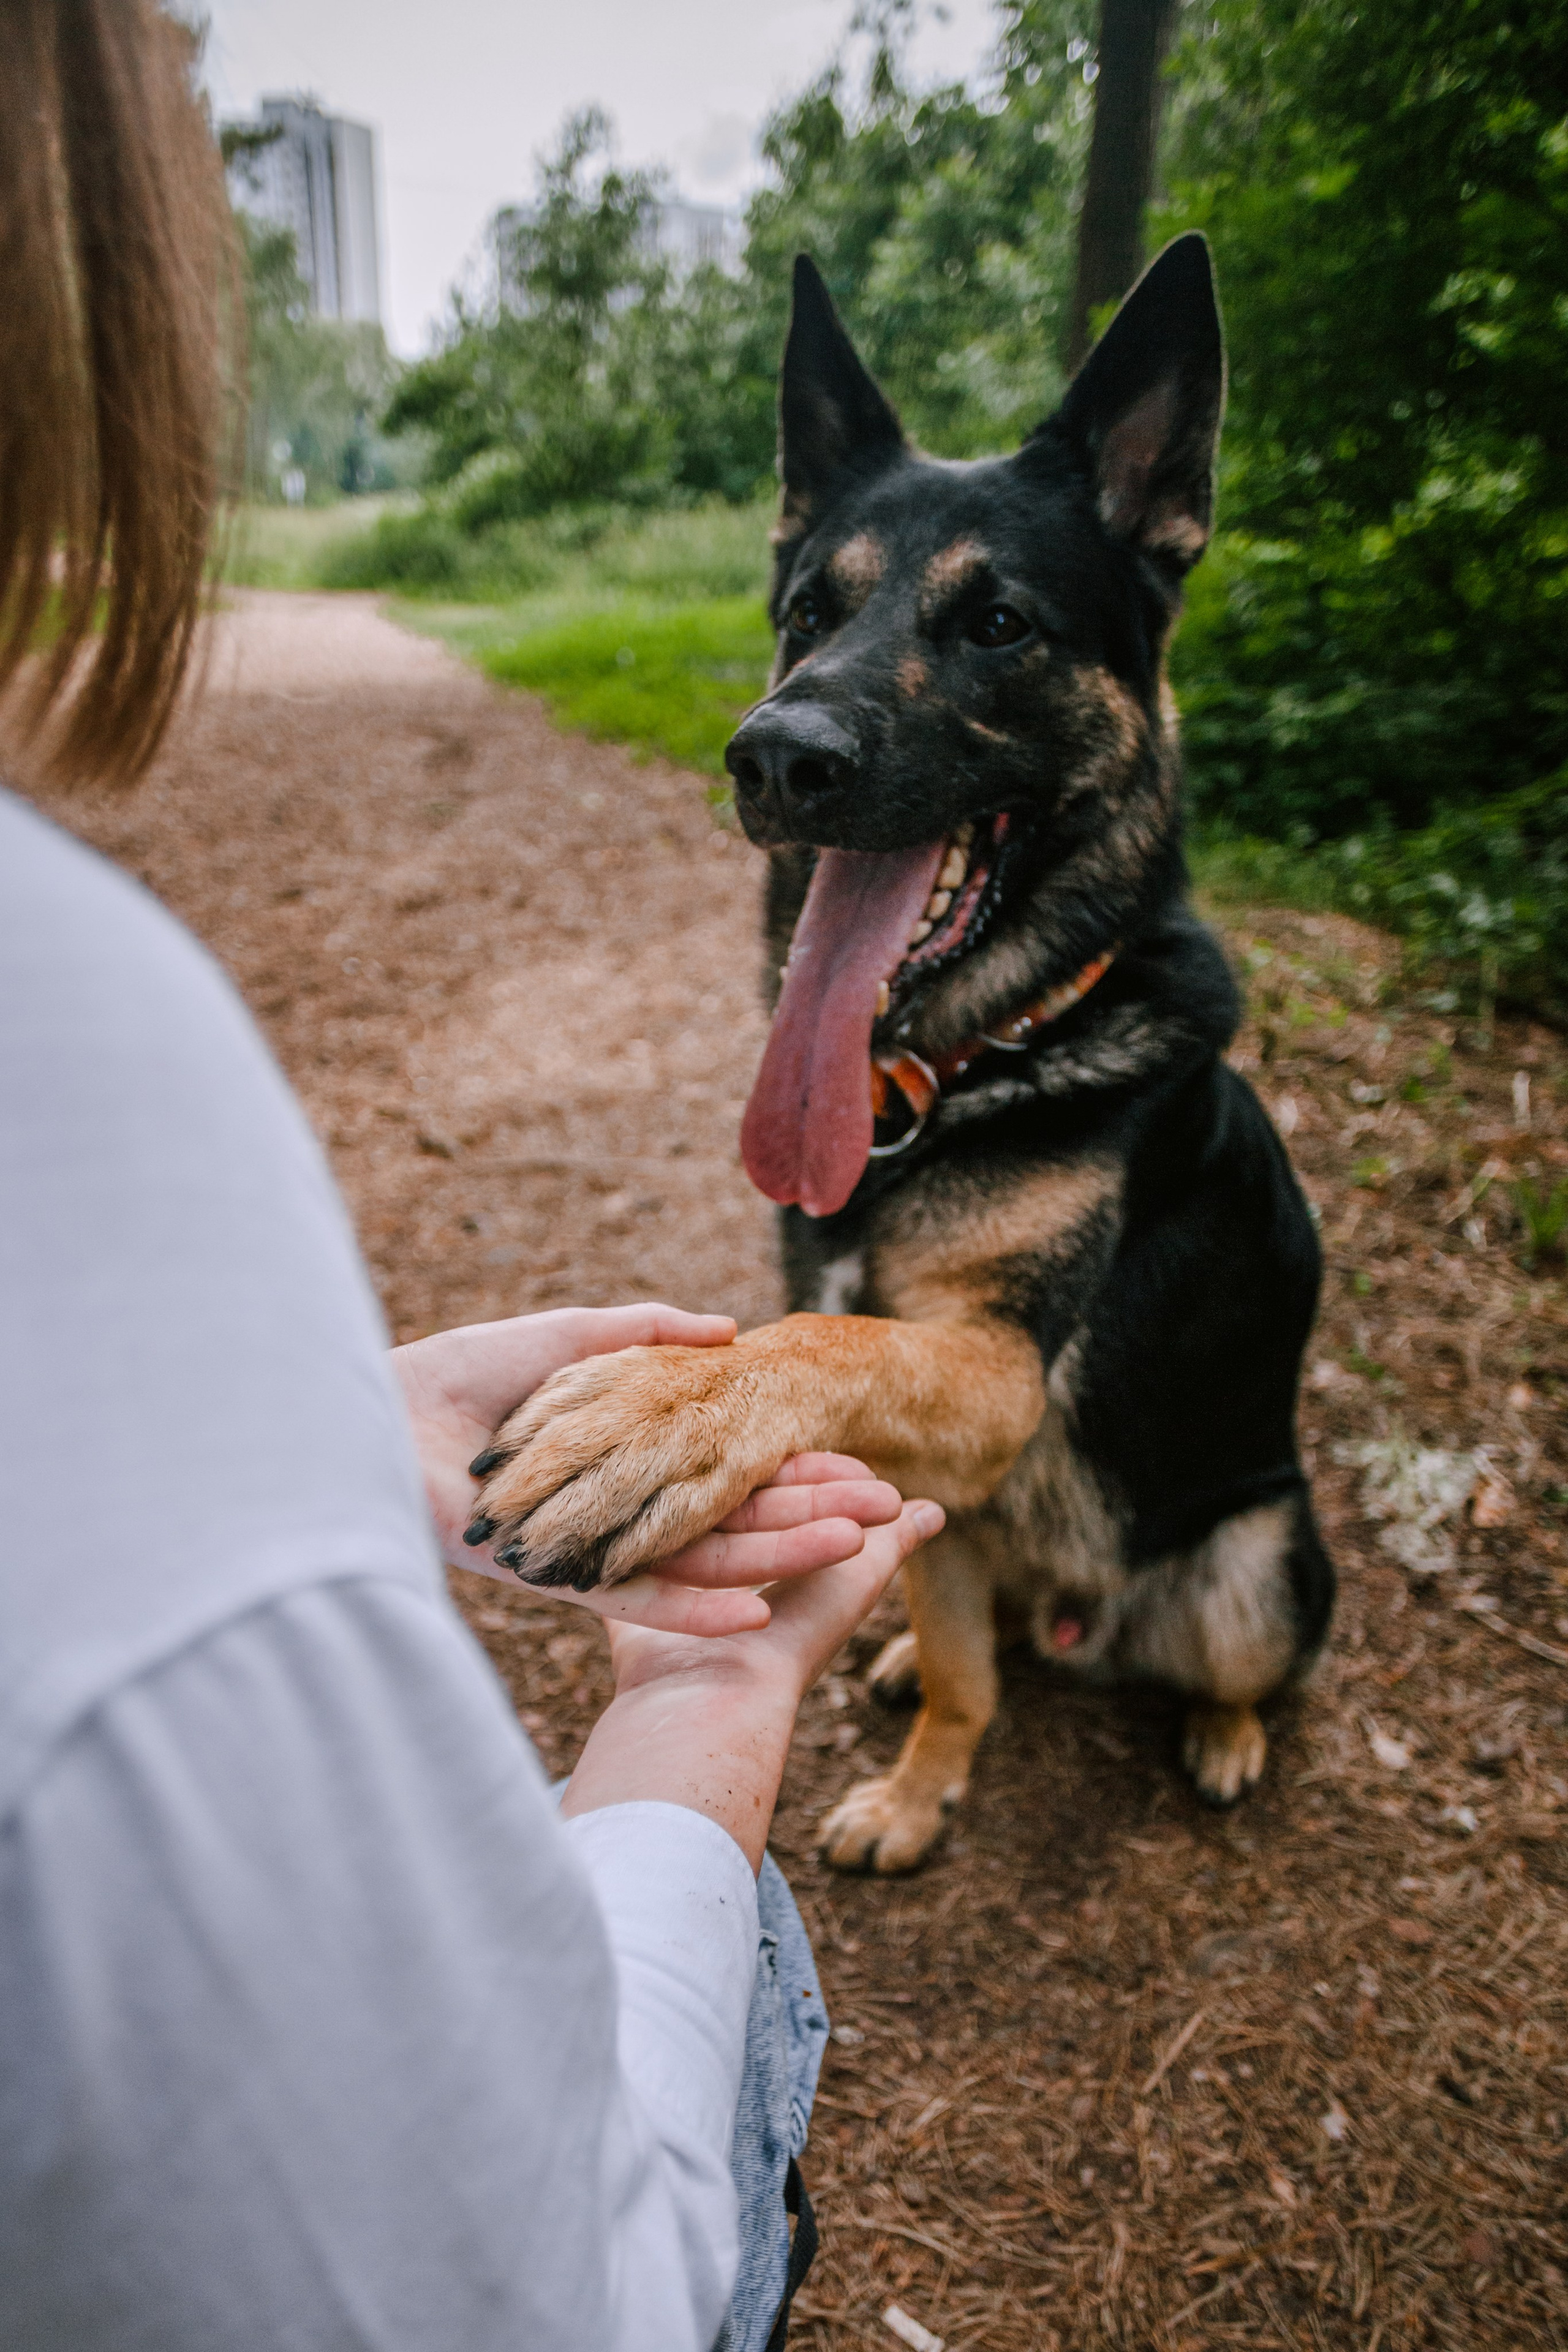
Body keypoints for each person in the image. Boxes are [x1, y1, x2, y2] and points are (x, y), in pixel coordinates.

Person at [0, 6, 943, 2346]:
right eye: (171, 48)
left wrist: (323, 1438)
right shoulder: (62, 1052)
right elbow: (535, 2301)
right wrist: (700, 1717)